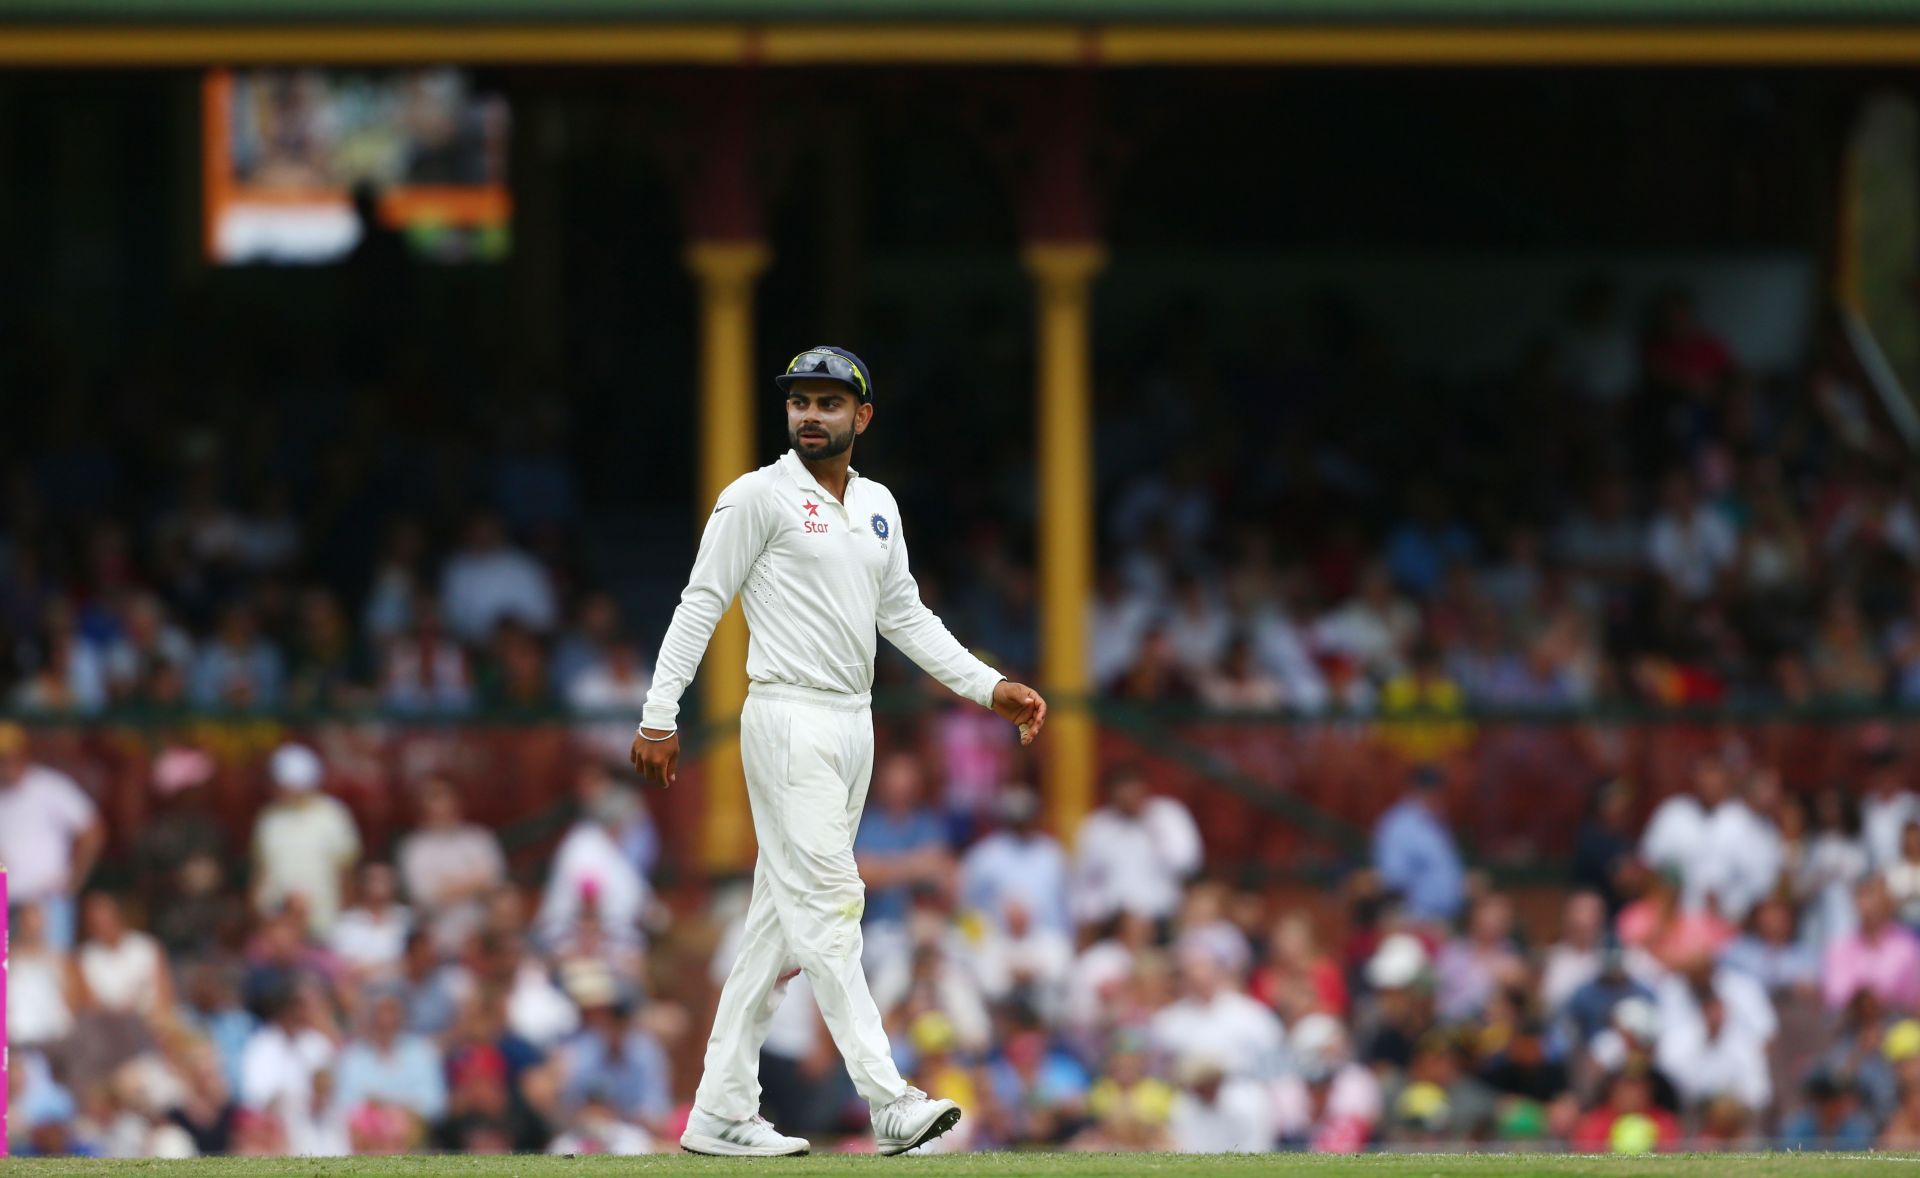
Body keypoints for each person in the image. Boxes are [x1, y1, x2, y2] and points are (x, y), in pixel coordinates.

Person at [630, 346, 1046, 1157]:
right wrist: (657, 715)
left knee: (777, 930)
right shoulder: (756, 496)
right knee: (831, 903)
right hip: (785, 716)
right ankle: (886, 1099)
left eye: (827, 403)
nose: (809, 416)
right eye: (799, 403)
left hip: (852, 723)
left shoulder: (878, 505)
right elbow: (700, 601)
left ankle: (718, 1110)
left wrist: (988, 687)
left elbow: (908, 617)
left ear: (862, 417)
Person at [0, 721, 106, 949]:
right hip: (5, 901)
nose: (5, 764)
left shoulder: (50, 787)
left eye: (10, 757)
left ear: (24, 754)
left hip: (47, 901)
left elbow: (92, 831)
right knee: (6, 978)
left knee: (54, 972)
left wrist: (74, 879)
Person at [1069, 764, 1203, 931]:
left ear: (1144, 788)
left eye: (1132, 788)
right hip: (1112, 922)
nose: (1128, 795)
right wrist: (1088, 916)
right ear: (1111, 793)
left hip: (1161, 917)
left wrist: (1153, 828)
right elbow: (1084, 880)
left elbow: (1187, 864)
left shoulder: (1168, 815)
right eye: (1121, 790)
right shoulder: (1098, 826)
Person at [250, 743, 362, 936]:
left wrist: (344, 921)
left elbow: (346, 874)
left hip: (325, 923)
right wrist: (259, 919)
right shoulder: (269, 819)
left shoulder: (333, 815)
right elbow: (260, 873)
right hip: (279, 929)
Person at [1370, 766, 1464, 925]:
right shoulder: (1399, 825)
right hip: (1415, 921)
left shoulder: (1434, 822)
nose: (1436, 797)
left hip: (1443, 920)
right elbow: (1392, 880)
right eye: (1429, 791)